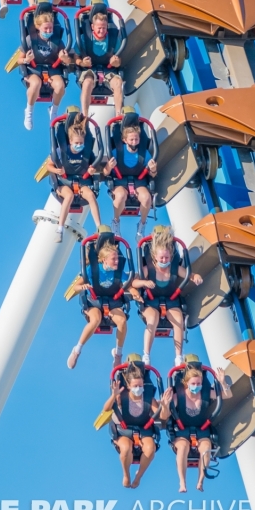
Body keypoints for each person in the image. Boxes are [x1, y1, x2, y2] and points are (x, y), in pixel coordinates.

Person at [131, 225, 202, 366]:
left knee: (178, 320)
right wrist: (145, 282)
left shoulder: (174, 267)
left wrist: (197, 277)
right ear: (155, 257)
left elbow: (190, 275)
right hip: (151, 301)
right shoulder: (149, 268)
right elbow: (134, 283)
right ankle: (146, 355)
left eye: (166, 257)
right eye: (161, 258)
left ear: (170, 256)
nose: (164, 260)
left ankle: (178, 357)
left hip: (171, 300)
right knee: (153, 318)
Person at [159, 360, 231, 493]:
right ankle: (182, 482)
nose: (196, 386)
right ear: (186, 383)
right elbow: (164, 417)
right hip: (181, 430)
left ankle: (200, 482)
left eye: (199, 383)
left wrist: (222, 382)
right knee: (183, 447)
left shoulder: (204, 392)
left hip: (201, 429)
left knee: (206, 448)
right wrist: (164, 405)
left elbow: (228, 395)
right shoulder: (178, 395)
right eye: (193, 383)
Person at [66, 231, 128, 366]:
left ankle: (118, 354)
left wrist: (135, 291)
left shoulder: (118, 270)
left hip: (113, 301)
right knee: (95, 320)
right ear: (104, 259)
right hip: (94, 301)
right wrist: (82, 288)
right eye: (114, 259)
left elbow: (128, 284)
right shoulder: (92, 269)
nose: (117, 261)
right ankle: (77, 350)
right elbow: (76, 286)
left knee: (122, 322)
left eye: (117, 258)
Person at [99, 359, 162, 488]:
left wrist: (165, 405)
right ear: (129, 386)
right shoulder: (121, 396)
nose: (138, 389)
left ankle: (138, 476)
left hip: (144, 429)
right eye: (135, 386)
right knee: (126, 449)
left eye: (140, 386)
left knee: (150, 449)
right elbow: (106, 409)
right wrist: (114, 395)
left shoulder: (149, 397)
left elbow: (162, 416)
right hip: (124, 430)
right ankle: (126, 474)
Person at [47, 111, 102, 243]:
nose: (79, 145)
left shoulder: (86, 152)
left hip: (81, 180)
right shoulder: (61, 151)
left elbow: (94, 165)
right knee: (69, 196)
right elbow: (49, 166)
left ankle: (99, 227)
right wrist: (57, 170)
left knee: (91, 196)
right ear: (70, 141)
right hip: (63, 182)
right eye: (76, 142)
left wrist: (92, 169)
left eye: (81, 142)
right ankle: (59, 229)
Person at [103, 114, 156, 237]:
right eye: (131, 140)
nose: (134, 142)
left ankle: (141, 225)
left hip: (139, 180)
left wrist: (153, 169)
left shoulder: (144, 153)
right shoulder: (117, 152)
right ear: (125, 140)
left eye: (136, 139)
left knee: (147, 198)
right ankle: (116, 222)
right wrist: (109, 167)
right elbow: (105, 173)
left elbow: (153, 173)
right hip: (120, 180)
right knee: (121, 195)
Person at [18, 6, 70, 129]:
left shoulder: (56, 41)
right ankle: (29, 111)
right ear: (38, 27)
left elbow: (67, 61)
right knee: (35, 84)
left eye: (50, 28)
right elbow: (19, 60)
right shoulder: (30, 40)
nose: (48, 31)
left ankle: (54, 110)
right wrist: (27, 60)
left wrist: (65, 58)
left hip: (52, 68)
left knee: (60, 85)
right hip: (34, 69)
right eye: (45, 28)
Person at [74, 3, 124, 116]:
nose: (102, 31)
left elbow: (119, 59)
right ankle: (85, 115)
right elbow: (75, 57)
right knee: (87, 83)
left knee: (118, 83)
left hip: (108, 69)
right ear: (92, 27)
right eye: (99, 28)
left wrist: (116, 62)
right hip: (90, 69)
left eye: (104, 28)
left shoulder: (113, 39)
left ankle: (118, 115)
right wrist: (82, 62)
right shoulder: (84, 38)